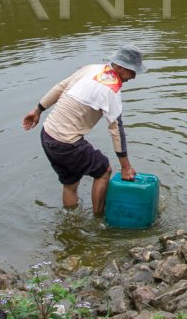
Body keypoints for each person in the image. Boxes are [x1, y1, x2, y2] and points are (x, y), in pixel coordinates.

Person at [22, 45, 146, 215]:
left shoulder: (91, 69)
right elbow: (116, 129)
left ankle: (71, 218)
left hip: (47, 134)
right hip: (65, 142)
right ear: (121, 67)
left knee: (70, 183)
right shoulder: (112, 89)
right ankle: (98, 216)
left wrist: (37, 110)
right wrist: (126, 167)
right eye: (133, 71)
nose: (134, 76)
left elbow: (60, 87)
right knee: (104, 170)